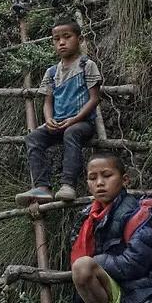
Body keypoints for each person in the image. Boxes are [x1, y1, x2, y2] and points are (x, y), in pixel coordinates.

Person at [70, 153, 152, 303]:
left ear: (125, 180)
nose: (100, 183)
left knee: (83, 267)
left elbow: (136, 264)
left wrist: (96, 261)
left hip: (140, 295)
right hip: (112, 291)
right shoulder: (88, 217)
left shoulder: (138, 214)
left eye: (107, 175)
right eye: (93, 178)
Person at [15, 18, 101, 205]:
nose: (61, 42)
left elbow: (94, 99)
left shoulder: (87, 65)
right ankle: (42, 187)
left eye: (67, 37)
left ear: (80, 39)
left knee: (71, 132)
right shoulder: (52, 72)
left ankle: (67, 185)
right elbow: (48, 102)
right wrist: (49, 119)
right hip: (58, 122)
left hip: (82, 123)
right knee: (33, 138)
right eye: (56, 39)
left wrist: (75, 119)